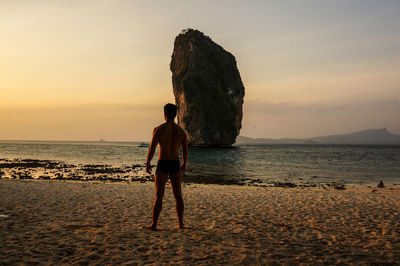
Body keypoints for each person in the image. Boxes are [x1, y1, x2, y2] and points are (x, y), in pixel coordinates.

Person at [145, 103, 188, 230]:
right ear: (175, 115)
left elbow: (152, 148)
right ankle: (181, 224)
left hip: (162, 163)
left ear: (164, 114)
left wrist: (148, 163)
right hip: (175, 164)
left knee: (159, 196)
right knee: (178, 196)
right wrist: (184, 165)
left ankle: (154, 225)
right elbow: (185, 151)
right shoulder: (181, 132)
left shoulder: (158, 129)